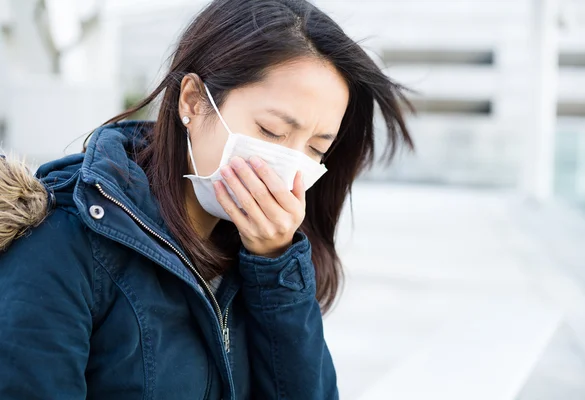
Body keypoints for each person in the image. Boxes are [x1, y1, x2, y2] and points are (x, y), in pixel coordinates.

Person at [0, 0, 412, 398]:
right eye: (271, 132)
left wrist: (275, 267)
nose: (289, 163)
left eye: (317, 148)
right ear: (193, 102)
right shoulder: (60, 246)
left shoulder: (258, 259)